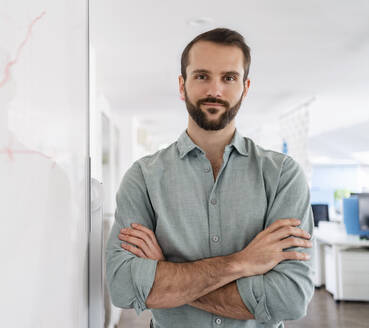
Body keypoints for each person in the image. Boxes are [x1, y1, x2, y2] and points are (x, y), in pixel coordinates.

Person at [105, 28, 314, 328]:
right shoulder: (143, 177)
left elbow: (291, 298)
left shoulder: (283, 175)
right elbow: (124, 287)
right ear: (182, 85)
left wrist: (166, 274)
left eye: (229, 78)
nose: (215, 90)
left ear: (245, 87)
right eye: (202, 76)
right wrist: (242, 263)